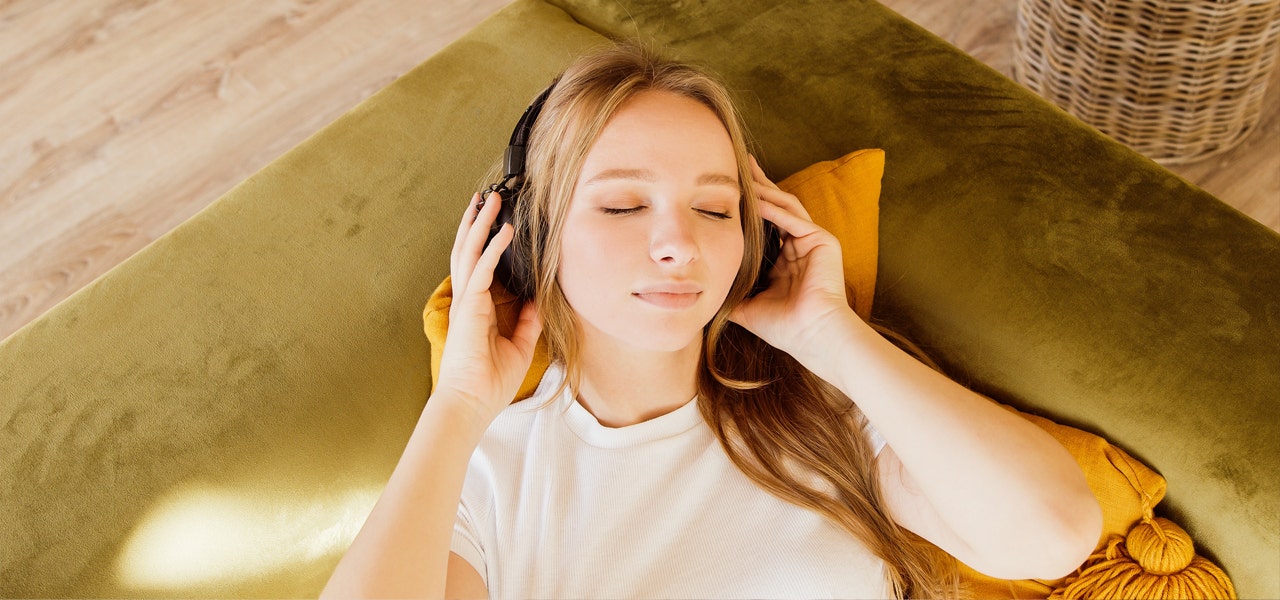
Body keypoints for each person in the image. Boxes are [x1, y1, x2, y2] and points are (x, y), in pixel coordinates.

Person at [322, 40, 1102, 599]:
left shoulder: (823, 408)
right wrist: (458, 405)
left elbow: (1053, 534)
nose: (678, 244)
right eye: (624, 204)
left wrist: (829, 331)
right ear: (533, 242)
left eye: (713, 207)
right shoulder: (488, 475)